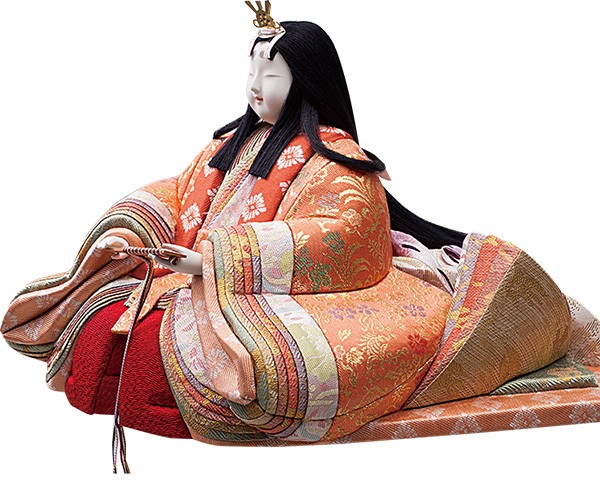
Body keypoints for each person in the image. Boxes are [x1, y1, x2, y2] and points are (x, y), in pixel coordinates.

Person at [2, 5, 599, 456]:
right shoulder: (228, 144)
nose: (254, 85)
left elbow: (348, 231)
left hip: (286, 291)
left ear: (306, 79)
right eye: (252, 69)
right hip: (185, 281)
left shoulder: (337, 158)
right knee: (99, 327)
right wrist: (131, 228)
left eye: (272, 72)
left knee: (208, 365)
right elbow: (176, 191)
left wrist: (216, 261)